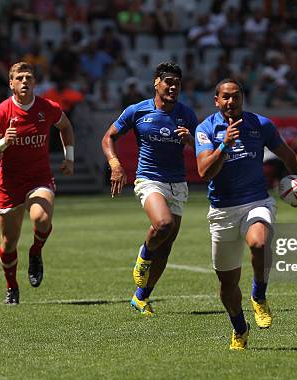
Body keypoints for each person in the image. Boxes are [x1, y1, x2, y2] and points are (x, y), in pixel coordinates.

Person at [195, 78, 297, 350]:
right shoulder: (205, 129)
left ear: (243, 98)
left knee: (259, 243)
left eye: (236, 96)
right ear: (216, 100)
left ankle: (259, 295)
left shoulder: (260, 125)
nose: (230, 102)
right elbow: (204, 172)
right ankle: (240, 328)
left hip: (256, 201)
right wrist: (225, 145)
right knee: (227, 285)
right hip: (222, 211)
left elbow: (289, 156)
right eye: (225, 97)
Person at [101, 62, 198, 316]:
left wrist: (191, 141)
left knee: (166, 246)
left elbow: (205, 152)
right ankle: (143, 257)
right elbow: (108, 137)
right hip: (148, 180)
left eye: (177, 82)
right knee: (163, 224)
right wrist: (115, 164)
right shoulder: (137, 111)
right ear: (156, 83)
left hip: (178, 183)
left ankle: (140, 297)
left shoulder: (186, 114)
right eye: (168, 81)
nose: (173, 86)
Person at [0, 62, 75, 304]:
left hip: (39, 178)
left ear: (34, 82)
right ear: (11, 83)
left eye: (29, 78)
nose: (24, 82)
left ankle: (36, 252)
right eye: (19, 78)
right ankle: (12, 287)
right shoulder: (1, 112)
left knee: (42, 219)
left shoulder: (47, 107)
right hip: (10, 184)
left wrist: (69, 157)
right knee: (9, 241)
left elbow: (65, 126)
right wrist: (3, 143)